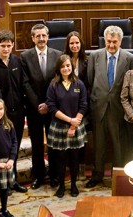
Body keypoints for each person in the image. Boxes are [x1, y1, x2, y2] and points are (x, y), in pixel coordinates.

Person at [85, 25, 133, 188]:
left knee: (118, 144)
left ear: (121, 41)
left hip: (118, 108)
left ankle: (119, 176)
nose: (111, 45)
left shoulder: (130, 58)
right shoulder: (94, 56)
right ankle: (97, 175)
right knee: (99, 144)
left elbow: (132, 84)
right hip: (98, 107)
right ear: (104, 40)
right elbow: (90, 79)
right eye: (108, 41)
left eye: (115, 42)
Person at [0, 30, 35, 193]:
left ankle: (12, 181)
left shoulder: (16, 60)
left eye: (9, 46)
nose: (6, 49)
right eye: (3, 46)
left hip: (18, 112)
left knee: (15, 145)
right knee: (1, 148)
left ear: (13, 45)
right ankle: (0, 183)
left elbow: (23, 84)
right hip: (0, 114)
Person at [21, 24, 63, 190]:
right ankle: (38, 176)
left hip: (52, 107)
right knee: (37, 144)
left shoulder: (57, 54)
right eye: (37, 36)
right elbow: (25, 83)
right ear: (33, 38)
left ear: (48, 36)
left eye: (43, 35)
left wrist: (48, 103)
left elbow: (57, 80)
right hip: (34, 108)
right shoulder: (25, 56)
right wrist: (38, 103)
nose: (41, 39)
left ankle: (53, 176)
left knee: (52, 143)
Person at [46, 55, 88, 198]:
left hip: (76, 126)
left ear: (72, 67)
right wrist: (69, 120)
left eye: (68, 66)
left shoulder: (79, 84)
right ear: (59, 68)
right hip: (59, 126)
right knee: (61, 159)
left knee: (74, 159)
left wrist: (74, 124)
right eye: (63, 66)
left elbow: (83, 105)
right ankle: (62, 186)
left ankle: (74, 185)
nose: (66, 68)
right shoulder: (53, 85)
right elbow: (51, 107)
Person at [64, 31, 90, 181]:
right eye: (72, 43)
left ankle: (80, 167)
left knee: (81, 138)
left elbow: (89, 82)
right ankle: (69, 168)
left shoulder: (87, 60)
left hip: (82, 106)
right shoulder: (63, 60)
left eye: (77, 43)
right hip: (66, 107)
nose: (75, 46)